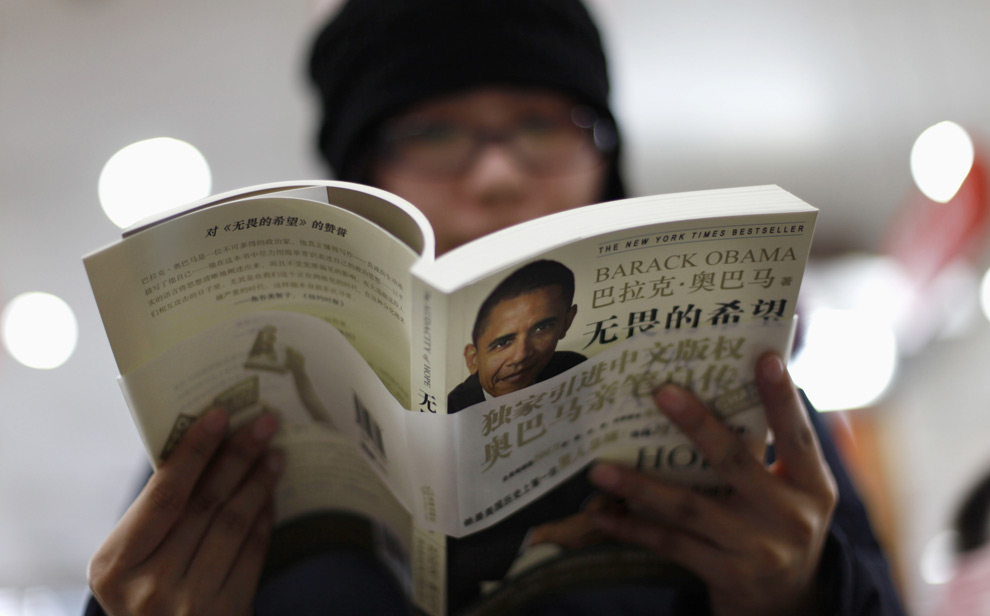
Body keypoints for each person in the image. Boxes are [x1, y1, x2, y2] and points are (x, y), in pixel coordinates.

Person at [85, 0, 907, 614]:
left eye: (541, 124)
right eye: (434, 133)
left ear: (604, 154)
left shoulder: (751, 413)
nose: (498, 176)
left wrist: (805, 595)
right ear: (364, 179)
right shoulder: (228, 445)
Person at [448, 259, 585, 412]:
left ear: (567, 322)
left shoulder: (574, 369)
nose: (521, 355)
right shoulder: (451, 412)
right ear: (473, 359)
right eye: (502, 343)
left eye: (541, 328)